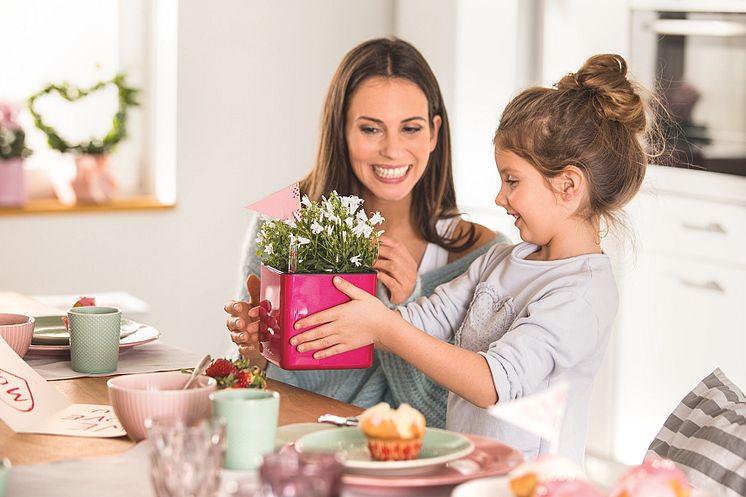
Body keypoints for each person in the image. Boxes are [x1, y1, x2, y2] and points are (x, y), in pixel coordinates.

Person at [276, 54, 653, 463]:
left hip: (530, 484)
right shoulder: (502, 262)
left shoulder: (583, 293)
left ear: (567, 186)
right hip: (474, 470)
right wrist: (343, 313)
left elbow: (494, 382)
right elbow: (424, 319)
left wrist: (382, 326)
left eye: (512, 181)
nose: (500, 197)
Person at [225, 37, 505, 428]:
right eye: (371, 129)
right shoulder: (283, 218)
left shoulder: (482, 256)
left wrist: (404, 312)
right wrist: (255, 348)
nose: (392, 150)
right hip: (301, 449)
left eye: (410, 128)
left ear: (434, 133)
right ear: (341, 130)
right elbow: (251, 383)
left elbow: (451, 418)